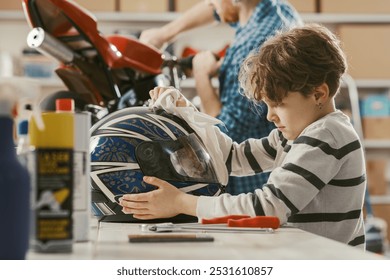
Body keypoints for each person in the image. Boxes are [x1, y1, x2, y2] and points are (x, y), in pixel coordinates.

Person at [120, 24, 367, 248]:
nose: (270, 116)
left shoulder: (326, 136)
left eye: (278, 104)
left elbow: (267, 208)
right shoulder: (295, 135)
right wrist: (188, 113)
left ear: (318, 94)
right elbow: (232, 158)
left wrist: (182, 203)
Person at [140, 0, 303, 195]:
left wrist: (202, 76)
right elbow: (220, 11)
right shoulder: (277, 12)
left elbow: (225, 136)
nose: (210, 4)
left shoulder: (254, 45)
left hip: (251, 188)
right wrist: (164, 34)